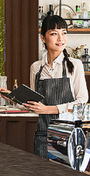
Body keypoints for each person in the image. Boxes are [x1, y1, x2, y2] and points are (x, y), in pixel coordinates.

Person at [21, 14, 82, 161]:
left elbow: (81, 102)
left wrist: (49, 109)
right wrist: (12, 97)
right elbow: (34, 104)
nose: (61, 38)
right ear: (43, 38)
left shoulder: (75, 65)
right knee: (43, 175)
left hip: (68, 135)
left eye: (64, 33)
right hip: (42, 135)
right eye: (54, 33)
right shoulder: (36, 68)